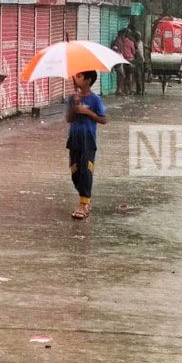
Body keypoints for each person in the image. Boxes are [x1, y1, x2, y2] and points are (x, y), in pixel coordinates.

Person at [66, 70, 107, 220]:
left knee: (86, 170)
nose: (76, 79)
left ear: (88, 80)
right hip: (74, 139)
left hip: (88, 140)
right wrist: (74, 106)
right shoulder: (72, 98)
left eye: (79, 76)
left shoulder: (95, 99)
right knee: (75, 172)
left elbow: (103, 119)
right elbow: (69, 119)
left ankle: (83, 205)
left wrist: (86, 112)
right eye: (75, 76)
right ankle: (85, 200)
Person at [113, 29, 137, 95]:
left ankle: (121, 90)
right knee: (124, 75)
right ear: (122, 34)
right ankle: (121, 90)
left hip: (122, 61)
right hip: (122, 60)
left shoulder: (121, 42)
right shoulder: (118, 42)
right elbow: (133, 52)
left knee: (122, 75)